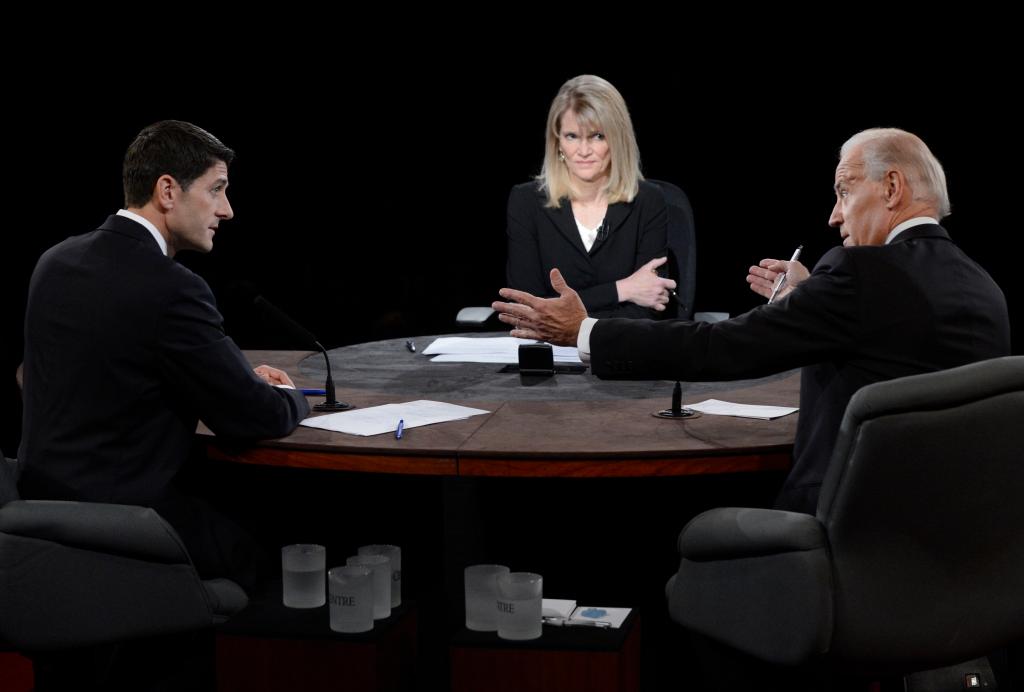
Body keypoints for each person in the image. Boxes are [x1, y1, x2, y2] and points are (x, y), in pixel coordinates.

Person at [493, 127, 1011, 516]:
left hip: (846, 529)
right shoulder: (983, 288)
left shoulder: (858, 273)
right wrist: (811, 300)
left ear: (893, 187)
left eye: (844, 191)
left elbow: (722, 347)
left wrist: (584, 330)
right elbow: (894, 344)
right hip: (954, 543)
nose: (834, 215)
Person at [18, 120, 309, 589]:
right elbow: (253, 417)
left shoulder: (55, 261)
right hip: (126, 520)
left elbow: (66, 370)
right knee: (269, 557)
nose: (227, 210)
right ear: (168, 191)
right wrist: (291, 395)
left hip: (37, 513)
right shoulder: (173, 288)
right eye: (216, 190)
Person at [505, 74, 678, 319]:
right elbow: (530, 308)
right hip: (550, 349)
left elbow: (648, 307)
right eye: (572, 136)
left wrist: (568, 315)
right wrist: (622, 290)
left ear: (617, 139)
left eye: (597, 136)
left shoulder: (648, 201)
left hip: (625, 350)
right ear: (557, 142)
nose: (583, 151)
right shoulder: (526, 202)